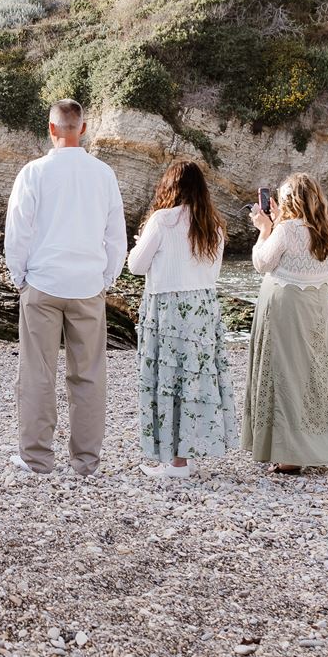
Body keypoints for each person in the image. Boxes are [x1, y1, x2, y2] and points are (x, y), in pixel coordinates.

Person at [3, 99, 127, 478]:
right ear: (83, 129)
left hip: (42, 282)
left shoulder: (33, 172)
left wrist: (19, 276)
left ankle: (37, 459)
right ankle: (86, 462)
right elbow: (116, 235)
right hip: (88, 285)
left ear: (51, 129)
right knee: (88, 374)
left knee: (37, 371)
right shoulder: (103, 174)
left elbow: (18, 231)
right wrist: (106, 278)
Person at [243, 173, 328, 473]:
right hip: (317, 306)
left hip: (284, 305)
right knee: (316, 372)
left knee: (282, 373)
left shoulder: (285, 230)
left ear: (289, 200)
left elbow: (262, 263)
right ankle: (325, 442)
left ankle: (289, 453)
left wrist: (264, 228)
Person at [127, 159, 236, 479]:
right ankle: (186, 455)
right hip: (202, 308)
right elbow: (211, 272)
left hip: (168, 310)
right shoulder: (213, 224)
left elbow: (135, 266)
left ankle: (176, 464)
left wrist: (138, 246)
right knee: (195, 382)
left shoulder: (162, 220)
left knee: (168, 381)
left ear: (170, 187)